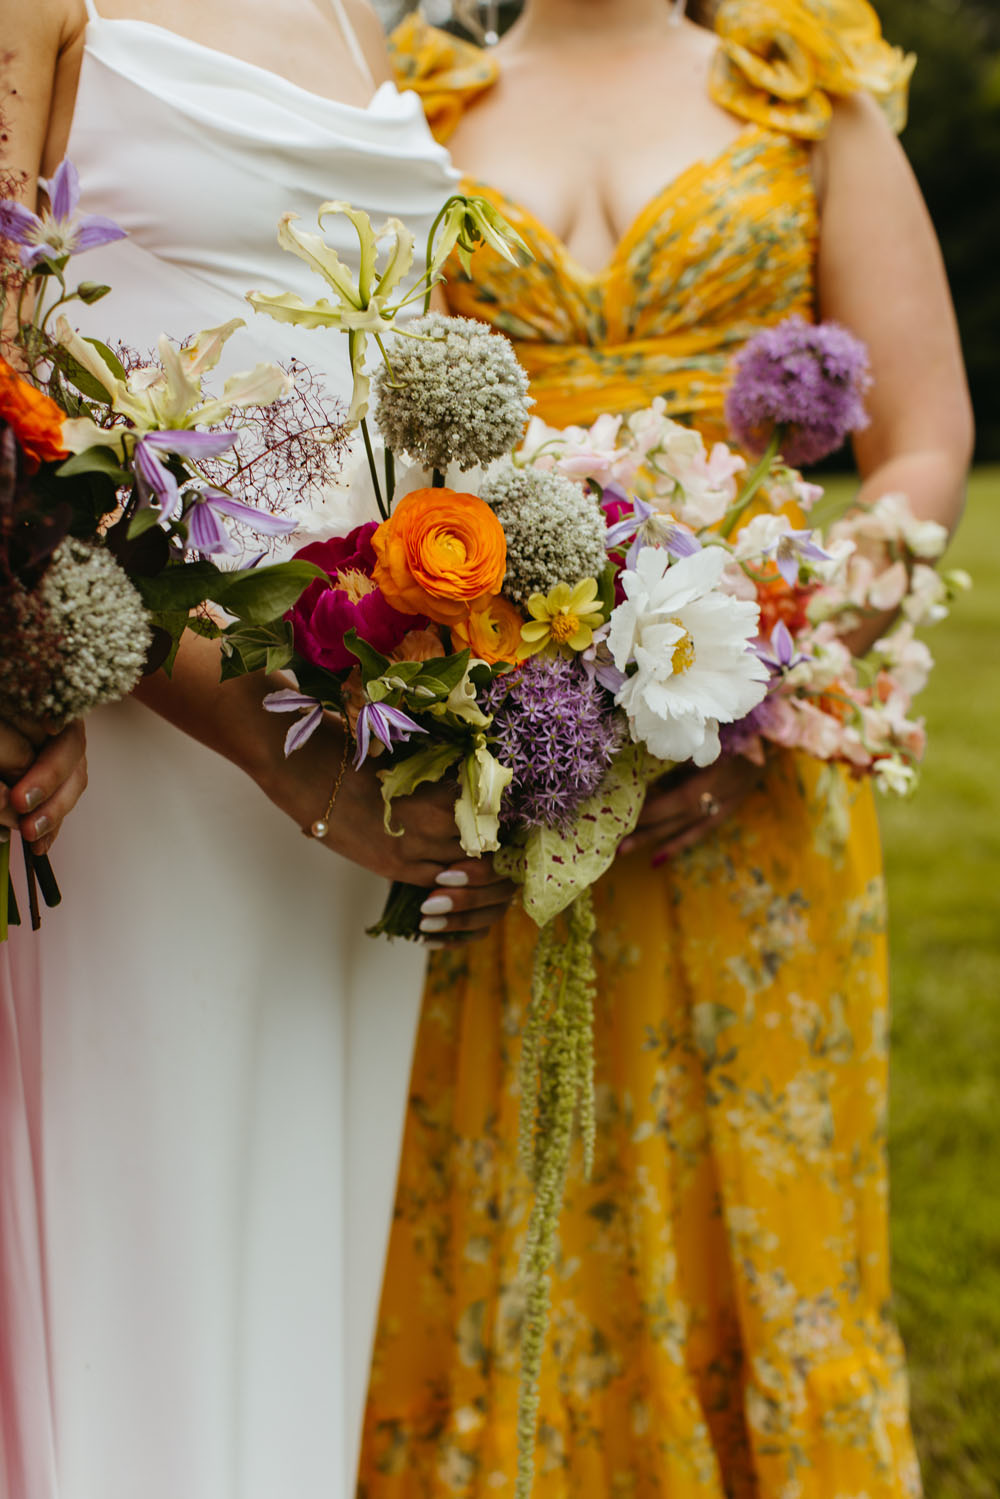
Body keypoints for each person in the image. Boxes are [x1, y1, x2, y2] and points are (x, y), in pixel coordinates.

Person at [361, 1, 973, 1495]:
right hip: (491, 756)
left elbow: (922, 439)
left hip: (744, 776)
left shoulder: (801, 96)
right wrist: (457, 700)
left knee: (741, 1178)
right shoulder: (413, 101)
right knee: (494, 1178)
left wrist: (774, 687)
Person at [0, 1, 514, 1494]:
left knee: (297, 1251)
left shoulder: (370, 10)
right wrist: (270, 749)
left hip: (358, 727)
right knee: (137, 1272)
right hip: (154, 725)